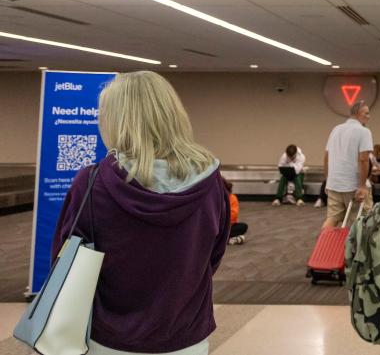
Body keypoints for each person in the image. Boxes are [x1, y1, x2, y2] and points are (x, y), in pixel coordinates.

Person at [52, 71, 229, 355]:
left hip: (109, 336)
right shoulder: (211, 183)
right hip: (186, 334)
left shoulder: (92, 183)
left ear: (114, 120)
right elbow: (213, 255)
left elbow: (65, 260)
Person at [322, 101, 374, 228]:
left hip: (334, 184)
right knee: (362, 222)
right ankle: (355, 248)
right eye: (366, 113)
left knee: (332, 220)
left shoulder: (336, 129)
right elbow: (363, 160)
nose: (369, 116)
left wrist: (327, 180)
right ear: (357, 114)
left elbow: (326, 158)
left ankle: (323, 246)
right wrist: (362, 186)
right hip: (353, 186)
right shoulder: (364, 131)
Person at [224, 179, 248, 245]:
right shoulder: (214, 198)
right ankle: (228, 240)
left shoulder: (232, 198)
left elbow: (233, 216)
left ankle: (223, 240)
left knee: (243, 226)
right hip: (216, 226)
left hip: (226, 226)